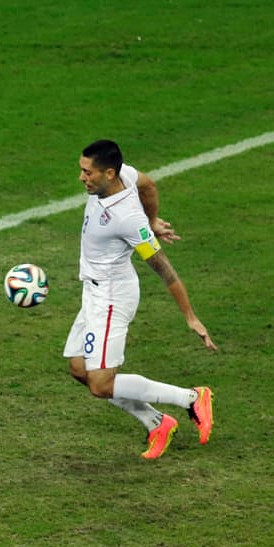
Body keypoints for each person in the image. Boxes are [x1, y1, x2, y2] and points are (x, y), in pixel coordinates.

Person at [67, 139, 216, 460]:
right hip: (93, 292)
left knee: (101, 384)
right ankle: (157, 423)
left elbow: (166, 271)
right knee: (80, 368)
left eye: (87, 172)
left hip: (111, 297)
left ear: (108, 173)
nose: (82, 178)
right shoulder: (126, 176)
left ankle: (191, 398)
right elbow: (148, 184)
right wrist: (154, 217)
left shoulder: (126, 218)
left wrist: (190, 316)